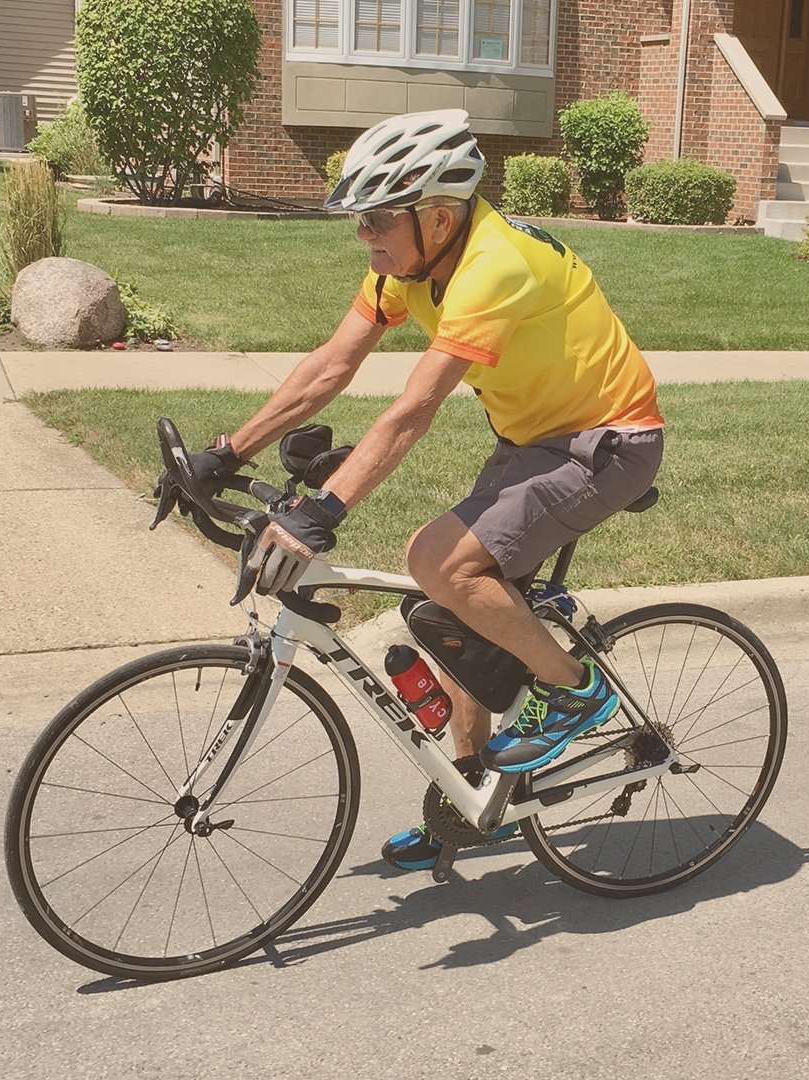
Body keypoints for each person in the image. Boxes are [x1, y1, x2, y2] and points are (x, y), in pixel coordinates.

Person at [189, 109, 664, 871]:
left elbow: (414, 410)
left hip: (609, 442)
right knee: (450, 615)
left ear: (438, 215)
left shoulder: (492, 267)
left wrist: (322, 511)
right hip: (532, 438)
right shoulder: (405, 266)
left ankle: (572, 689)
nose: (364, 236)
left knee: (438, 559)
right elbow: (331, 365)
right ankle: (475, 801)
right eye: (360, 221)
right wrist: (225, 451)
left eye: (378, 219)